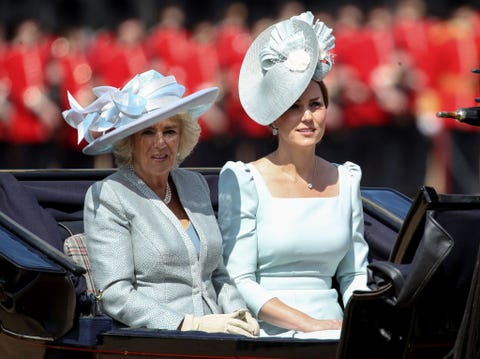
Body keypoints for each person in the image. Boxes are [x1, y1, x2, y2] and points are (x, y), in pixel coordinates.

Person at [62, 69, 259, 336]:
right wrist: (189, 324)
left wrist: (239, 314)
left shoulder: (195, 185)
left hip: (221, 339)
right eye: (147, 132)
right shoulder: (110, 195)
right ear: (129, 141)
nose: (160, 143)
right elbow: (115, 294)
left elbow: (218, 275)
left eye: (169, 131)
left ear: (182, 138)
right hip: (158, 341)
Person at [217, 12, 370, 339]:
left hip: (339, 334)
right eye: (293, 107)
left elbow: (355, 273)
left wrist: (358, 325)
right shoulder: (245, 180)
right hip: (269, 335)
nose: (307, 117)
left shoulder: (346, 180)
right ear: (274, 117)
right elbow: (238, 280)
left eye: (315, 105)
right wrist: (309, 324)